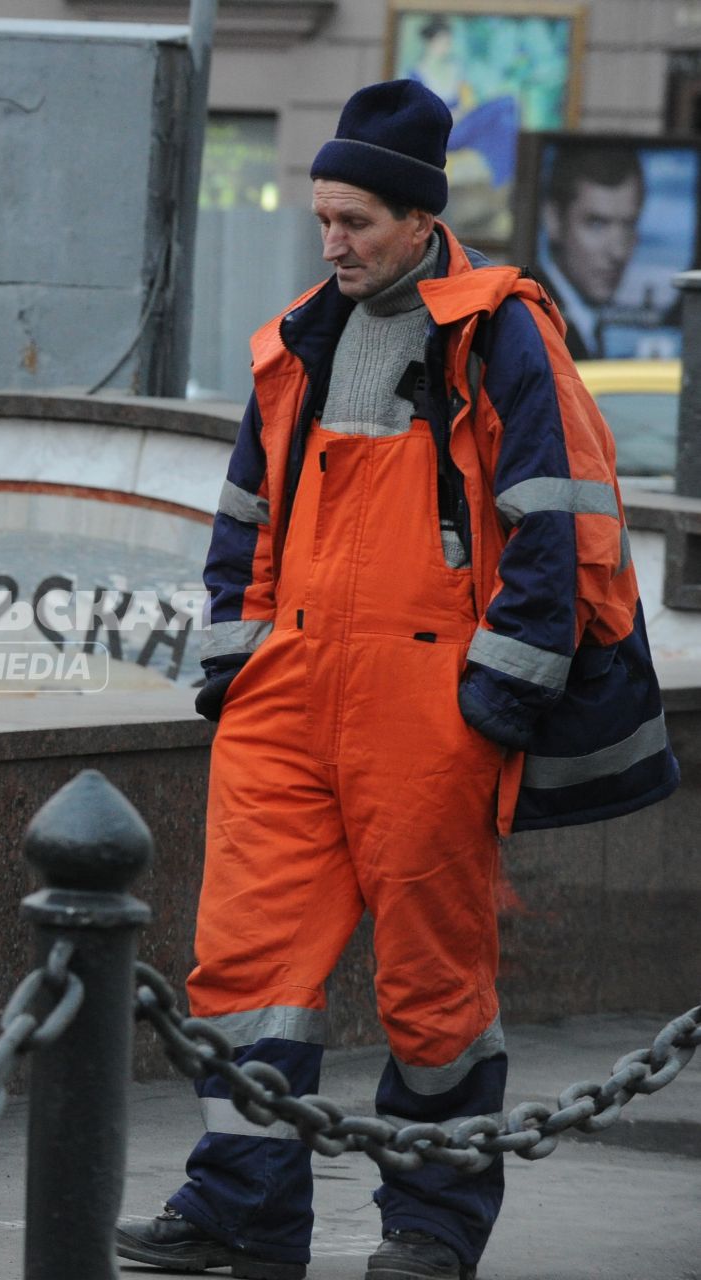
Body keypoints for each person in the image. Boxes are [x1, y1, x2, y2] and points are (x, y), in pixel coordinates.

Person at [116, 82, 677, 1280]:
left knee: (432, 988)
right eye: (322, 218)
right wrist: (239, 664)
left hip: (430, 710)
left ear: (419, 220)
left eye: (355, 221)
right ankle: (240, 1211)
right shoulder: (298, 337)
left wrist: (490, 705)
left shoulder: (501, 333)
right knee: (243, 973)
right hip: (286, 701)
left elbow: (562, 531)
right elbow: (241, 520)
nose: (332, 242)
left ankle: (427, 1229)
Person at [536, 144, 646, 360]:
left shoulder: (583, 321)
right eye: (597, 224)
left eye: (629, 225)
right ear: (554, 219)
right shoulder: (533, 317)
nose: (617, 252)